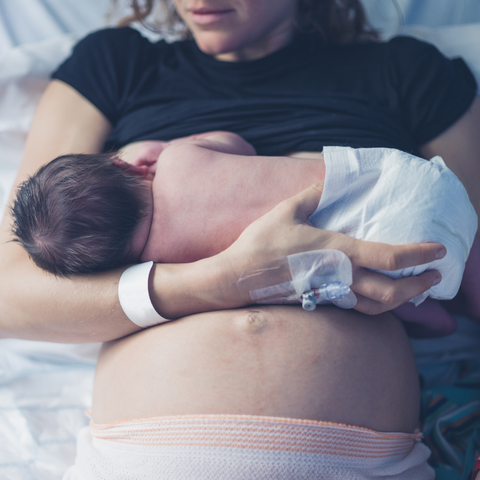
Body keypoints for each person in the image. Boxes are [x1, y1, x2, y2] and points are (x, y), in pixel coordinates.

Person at [0, 0, 479, 475]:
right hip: (141, 455)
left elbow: (469, 269)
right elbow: (10, 288)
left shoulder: (410, 72)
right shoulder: (115, 65)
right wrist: (221, 280)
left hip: (360, 461)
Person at [11, 132, 476, 309]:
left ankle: (436, 320)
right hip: (401, 180)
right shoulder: (176, 159)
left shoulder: (164, 262)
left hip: (393, 261)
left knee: (393, 297)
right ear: (131, 165)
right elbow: (238, 145)